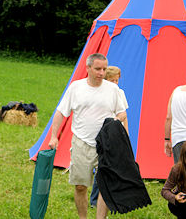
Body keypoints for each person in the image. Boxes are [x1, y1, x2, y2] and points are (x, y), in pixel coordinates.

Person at [49, 53, 126, 219]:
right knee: (80, 186)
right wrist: (54, 136)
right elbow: (61, 112)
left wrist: (116, 120)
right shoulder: (76, 88)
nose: (101, 72)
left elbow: (122, 113)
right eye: (98, 69)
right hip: (82, 143)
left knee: (105, 186)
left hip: (106, 144)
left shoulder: (113, 89)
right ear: (88, 68)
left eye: (104, 69)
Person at [90, 66, 129, 208]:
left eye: (117, 80)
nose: (115, 83)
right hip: (102, 133)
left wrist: (126, 134)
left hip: (116, 133)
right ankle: (95, 199)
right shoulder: (99, 93)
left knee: (114, 167)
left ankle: (112, 197)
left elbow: (124, 115)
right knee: (103, 166)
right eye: (112, 80)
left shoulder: (120, 93)